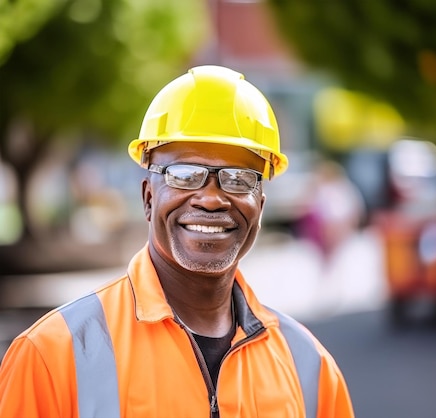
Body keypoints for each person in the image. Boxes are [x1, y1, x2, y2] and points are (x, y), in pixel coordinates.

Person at [0, 65, 355, 418]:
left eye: (238, 178)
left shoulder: (311, 370)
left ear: (259, 207)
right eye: (184, 175)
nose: (211, 198)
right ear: (148, 198)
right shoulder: (51, 355)